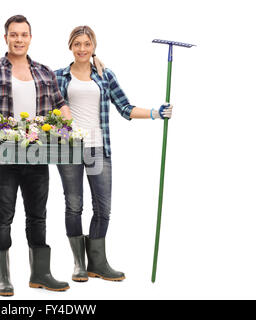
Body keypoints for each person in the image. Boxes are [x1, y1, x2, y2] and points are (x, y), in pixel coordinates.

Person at [55, 26, 173, 282]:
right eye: (77, 44)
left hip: (98, 148)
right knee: (74, 206)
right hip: (69, 150)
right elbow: (46, 104)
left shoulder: (105, 75)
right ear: (70, 46)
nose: (82, 49)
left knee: (103, 208)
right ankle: (79, 265)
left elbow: (125, 107)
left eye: (87, 44)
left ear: (93, 46)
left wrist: (156, 112)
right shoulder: (59, 76)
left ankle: (98, 263)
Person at [0, 15, 72, 296]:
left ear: (30, 38)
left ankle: (41, 274)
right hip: (4, 156)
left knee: (38, 216)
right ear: (6, 38)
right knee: (3, 215)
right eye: (14, 35)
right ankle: (3, 276)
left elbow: (61, 104)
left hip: (38, 156)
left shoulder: (44, 72)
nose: (19, 39)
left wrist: (67, 127)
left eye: (24, 35)